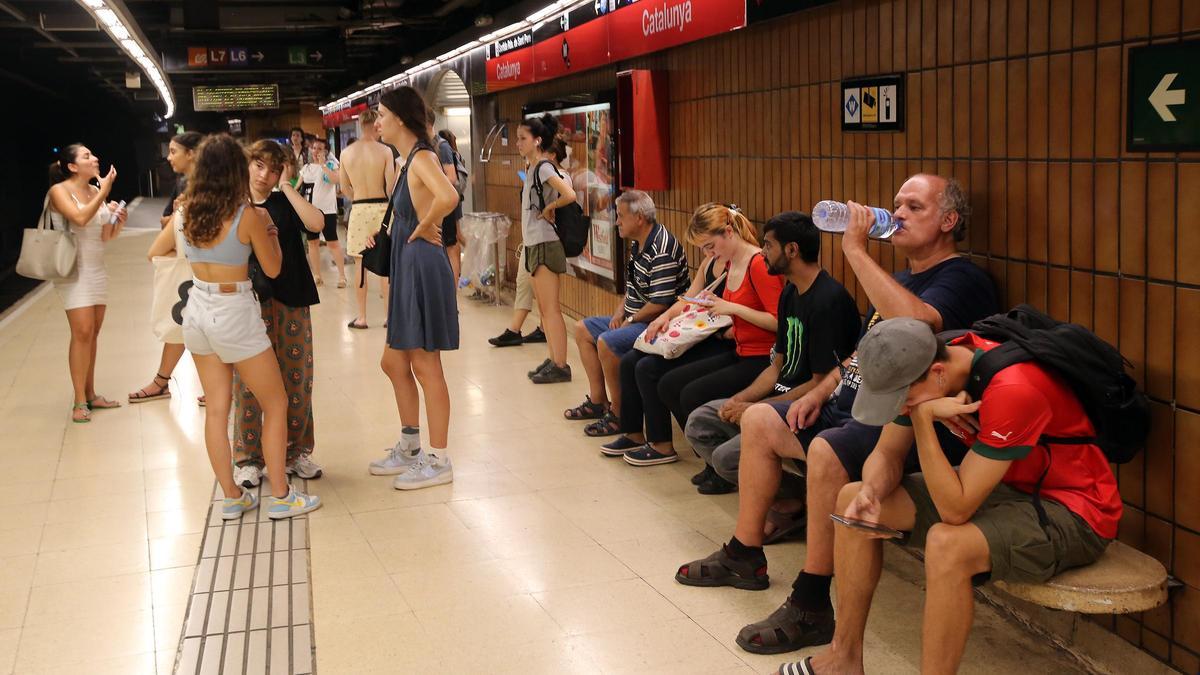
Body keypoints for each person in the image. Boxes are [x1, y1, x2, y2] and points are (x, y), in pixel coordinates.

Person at [675, 174, 998, 657]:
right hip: (851, 403)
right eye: (897, 204)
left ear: (949, 221)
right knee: (763, 420)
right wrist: (819, 391)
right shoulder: (901, 279)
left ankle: (811, 601)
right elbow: (859, 352)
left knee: (826, 451)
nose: (899, 214)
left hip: (903, 421)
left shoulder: (963, 277)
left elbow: (920, 323)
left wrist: (855, 250)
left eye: (915, 206)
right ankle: (745, 554)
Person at [779, 317, 1120, 675]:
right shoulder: (929, 360)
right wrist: (871, 492)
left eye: (905, 400)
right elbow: (887, 453)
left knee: (948, 545)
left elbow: (955, 510)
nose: (901, 408)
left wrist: (924, 420)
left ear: (938, 372)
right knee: (852, 502)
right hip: (1007, 486)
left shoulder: (1014, 388)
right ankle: (843, 660)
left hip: (1073, 508)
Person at [178, 134, 320, 519]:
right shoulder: (249, 216)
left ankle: (231, 497)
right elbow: (273, 268)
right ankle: (282, 496)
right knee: (275, 403)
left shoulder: (184, 212)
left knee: (216, 410)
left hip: (197, 312)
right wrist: (270, 232)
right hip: (234, 311)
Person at [685, 212, 860, 494]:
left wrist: (757, 409)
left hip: (806, 409)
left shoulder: (829, 301)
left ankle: (799, 498)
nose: (763, 252)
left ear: (792, 250)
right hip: (778, 398)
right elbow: (777, 366)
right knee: (700, 421)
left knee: (725, 459)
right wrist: (740, 400)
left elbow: (822, 383)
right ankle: (780, 493)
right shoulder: (790, 293)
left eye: (768, 245)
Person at [604, 203, 783, 466]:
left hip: (752, 354)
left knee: (675, 384)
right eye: (704, 248)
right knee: (643, 367)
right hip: (735, 346)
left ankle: (711, 455)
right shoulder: (725, 261)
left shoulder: (756, 264)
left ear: (729, 232)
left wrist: (731, 310)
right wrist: (666, 318)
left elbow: (778, 322)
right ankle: (697, 449)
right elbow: (692, 300)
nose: (708, 253)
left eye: (710, 245)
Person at [363, 86, 461, 490]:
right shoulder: (407, 159)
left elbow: (449, 195)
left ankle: (438, 459)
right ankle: (410, 445)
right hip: (408, 263)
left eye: (381, 115)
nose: (377, 123)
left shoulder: (422, 156)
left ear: (399, 118)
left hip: (421, 265)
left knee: (425, 364)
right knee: (393, 362)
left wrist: (424, 225)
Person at [229, 140, 327, 489]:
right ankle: (248, 458)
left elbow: (316, 224)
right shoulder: (233, 204)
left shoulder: (285, 200)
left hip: (292, 296)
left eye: (274, 168)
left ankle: (295, 451)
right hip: (247, 303)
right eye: (259, 166)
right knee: (249, 383)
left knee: (297, 377)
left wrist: (287, 186)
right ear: (247, 164)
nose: (265, 175)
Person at [563, 190, 687, 438]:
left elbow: (661, 303)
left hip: (658, 323)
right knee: (582, 329)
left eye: (620, 216)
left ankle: (620, 415)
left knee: (607, 342)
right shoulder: (638, 242)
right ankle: (599, 401)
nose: (617, 221)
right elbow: (632, 288)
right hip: (637, 317)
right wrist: (620, 312)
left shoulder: (661, 247)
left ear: (639, 218)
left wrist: (629, 320)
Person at [46, 144, 127, 423]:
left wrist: (118, 221)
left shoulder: (93, 191)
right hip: (73, 270)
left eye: (93, 154)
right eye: (87, 156)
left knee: (92, 334)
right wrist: (105, 190)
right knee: (81, 332)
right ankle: (79, 400)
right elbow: (80, 218)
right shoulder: (59, 191)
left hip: (96, 269)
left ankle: (91, 394)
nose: (95, 158)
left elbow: (105, 236)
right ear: (71, 166)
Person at [129, 131, 203, 404]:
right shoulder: (190, 187)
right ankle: (164, 380)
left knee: (192, 326)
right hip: (204, 274)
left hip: (206, 278)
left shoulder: (200, 191)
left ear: (192, 153)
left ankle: (169, 382)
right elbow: (166, 225)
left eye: (174, 151)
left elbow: (158, 248)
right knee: (185, 325)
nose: (169, 157)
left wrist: (177, 232)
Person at [517, 113, 578, 384]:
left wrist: (551, 207)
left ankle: (561, 364)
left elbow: (570, 194)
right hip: (534, 242)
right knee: (543, 309)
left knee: (551, 309)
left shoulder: (543, 167)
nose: (518, 143)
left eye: (522, 138)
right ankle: (553, 359)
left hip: (544, 242)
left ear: (537, 140)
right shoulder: (533, 167)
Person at [340, 108, 397, 329]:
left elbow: (344, 187)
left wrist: (358, 199)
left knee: (360, 263)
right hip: (382, 208)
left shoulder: (347, 153)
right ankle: (388, 316)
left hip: (360, 208)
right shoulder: (385, 151)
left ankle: (362, 317)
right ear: (376, 125)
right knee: (385, 261)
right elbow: (391, 185)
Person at [300, 137, 347, 288]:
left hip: (327, 210)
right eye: (314, 148)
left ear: (326, 151)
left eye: (320, 148)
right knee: (312, 242)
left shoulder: (332, 165)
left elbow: (335, 179)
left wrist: (323, 165)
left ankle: (342, 276)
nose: (316, 151)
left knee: (332, 242)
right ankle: (317, 275)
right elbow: (298, 187)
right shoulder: (306, 168)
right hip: (310, 211)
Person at [486, 246, 545, 347]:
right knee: (524, 281)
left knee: (542, 286)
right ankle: (515, 330)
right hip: (532, 239)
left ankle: (541, 330)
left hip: (543, 241)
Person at [435, 129, 466, 283]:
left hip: (450, 200)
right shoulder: (453, 151)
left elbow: (452, 178)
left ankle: (456, 278)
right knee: (455, 237)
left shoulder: (443, 148)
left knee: (453, 240)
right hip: (454, 199)